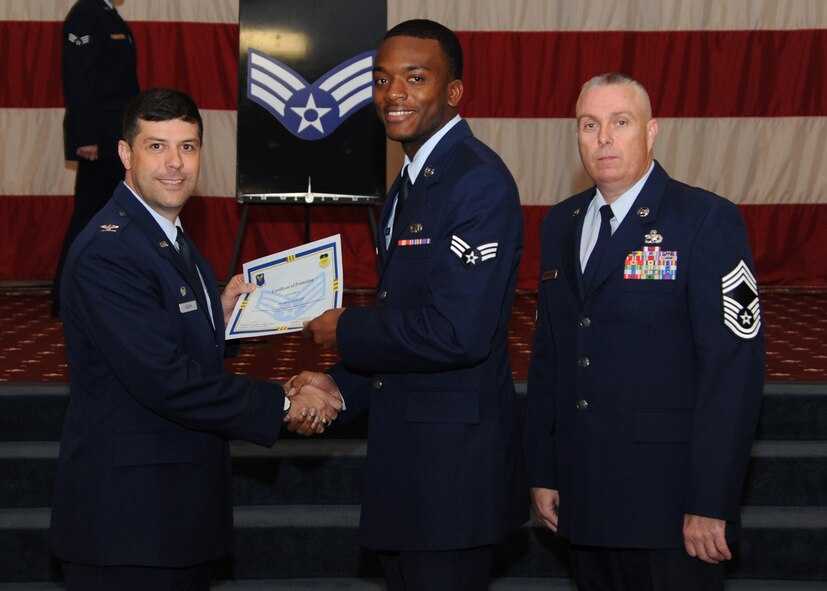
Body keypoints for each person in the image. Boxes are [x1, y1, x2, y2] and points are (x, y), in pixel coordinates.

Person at [50, 88, 342, 591]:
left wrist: (218, 313)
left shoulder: (166, 234)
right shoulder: (111, 251)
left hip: (169, 515)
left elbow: (160, 331)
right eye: (157, 146)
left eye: (187, 147)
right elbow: (166, 379)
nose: (174, 164)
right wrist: (281, 403)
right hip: (129, 526)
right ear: (125, 153)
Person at [290, 19, 527, 590]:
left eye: (414, 78)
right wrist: (340, 386)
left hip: (451, 476)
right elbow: (406, 326)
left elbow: (457, 333)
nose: (392, 93)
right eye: (381, 78)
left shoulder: (477, 182)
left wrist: (346, 329)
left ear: (453, 92)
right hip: (408, 467)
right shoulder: (409, 184)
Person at [525, 73, 765, 590]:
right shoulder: (560, 223)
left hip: (671, 508)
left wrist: (710, 501)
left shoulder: (704, 220)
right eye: (589, 125)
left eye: (620, 122)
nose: (604, 138)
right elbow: (550, 357)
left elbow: (733, 372)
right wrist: (543, 468)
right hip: (584, 497)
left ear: (650, 132)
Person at [51, 0, 140, 316]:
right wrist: (86, 136)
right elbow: (79, 78)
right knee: (89, 214)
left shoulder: (106, 14)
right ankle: (66, 295)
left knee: (106, 213)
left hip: (115, 132)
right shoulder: (87, 14)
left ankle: (93, 290)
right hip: (99, 137)